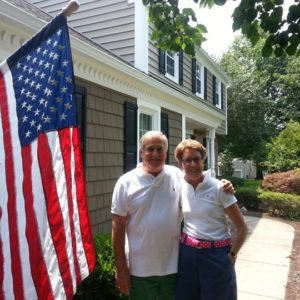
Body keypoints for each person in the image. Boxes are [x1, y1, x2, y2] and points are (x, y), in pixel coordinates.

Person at [111, 131, 234, 300]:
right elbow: (117, 226)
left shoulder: (177, 175)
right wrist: (121, 267)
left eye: (159, 149)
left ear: (166, 152)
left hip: (175, 267)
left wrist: (224, 185)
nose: (155, 154)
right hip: (139, 269)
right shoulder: (125, 182)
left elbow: (200, 183)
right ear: (141, 152)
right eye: (150, 149)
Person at [174, 139, 248, 300]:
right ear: (181, 164)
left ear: (203, 160)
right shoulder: (179, 186)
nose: (193, 164)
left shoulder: (219, 188)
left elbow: (242, 227)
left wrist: (232, 255)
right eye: (188, 160)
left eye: (197, 159)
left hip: (216, 256)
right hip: (187, 255)